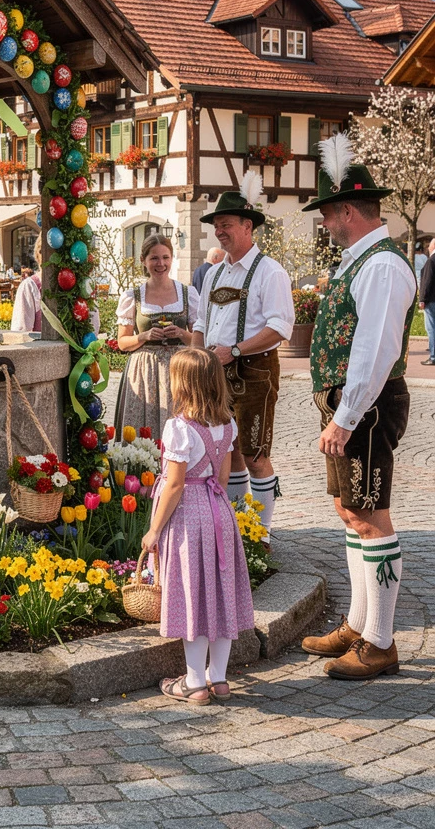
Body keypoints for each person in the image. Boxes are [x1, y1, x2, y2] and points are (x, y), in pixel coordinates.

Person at [299, 134, 415, 680]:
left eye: (326, 213)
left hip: (365, 409)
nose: (323, 223)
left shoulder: (383, 266)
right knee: (350, 512)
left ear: (348, 209)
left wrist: (345, 418)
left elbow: (375, 349)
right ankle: (358, 624)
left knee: (371, 518)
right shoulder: (360, 260)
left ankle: (381, 642)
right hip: (349, 408)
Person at [142, 347, 255, 705]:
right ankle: (218, 678)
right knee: (220, 595)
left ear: (183, 385)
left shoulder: (179, 428)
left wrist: (154, 530)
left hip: (189, 518)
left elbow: (175, 485)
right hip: (219, 512)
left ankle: (193, 682)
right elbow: (221, 478)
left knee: (192, 597)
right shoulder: (227, 424)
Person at [191, 173, 294, 542]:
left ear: (247, 226)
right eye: (217, 226)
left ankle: (262, 533)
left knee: (255, 454)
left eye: (226, 225)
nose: (219, 231)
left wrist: (234, 350)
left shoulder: (270, 271)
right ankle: (239, 528)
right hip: (216, 373)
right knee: (228, 452)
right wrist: (201, 359)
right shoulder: (215, 273)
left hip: (254, 371)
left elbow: (281, 327)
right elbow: (201, 321)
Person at [114, 234, 199, 440]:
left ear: (172, 258)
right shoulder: (132, 296)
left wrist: (181, 333)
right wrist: (144, 336)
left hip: (180, 370)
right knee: (142, 431)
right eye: (154, 258)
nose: (160, 264)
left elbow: (199, 342)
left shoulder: (189, 294)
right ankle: (140, 471)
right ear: (143, 260)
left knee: (181, 429)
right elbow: (122, 343)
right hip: (143, 372)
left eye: (165, 257)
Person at [11, 241, 101, 335]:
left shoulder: (80, 287)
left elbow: (93, 327)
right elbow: (21, 333)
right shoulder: (30, 286)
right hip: (41, 349)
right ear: (38, 256)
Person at [418, 238, 435, 366]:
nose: (428, 248)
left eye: (429, 245)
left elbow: (427, 281)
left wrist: (422, 299)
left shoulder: (431, 261)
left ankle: (433, 356)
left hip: (431, 300)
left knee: (431, 328)